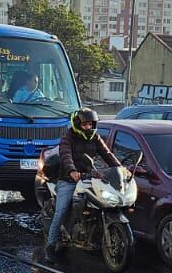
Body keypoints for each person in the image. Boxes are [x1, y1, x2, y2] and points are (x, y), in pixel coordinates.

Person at [39, 108, 118, 262]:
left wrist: (120, 168)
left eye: (91, 124)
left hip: (89, 177)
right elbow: (66, 155)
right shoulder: (68, 138)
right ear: (77, 124)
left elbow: (107, 154)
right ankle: (50, 246)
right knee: (61, 211)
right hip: (68, 179)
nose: (89, 127)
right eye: (85, 124)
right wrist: (72, 171)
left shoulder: (95, 137)